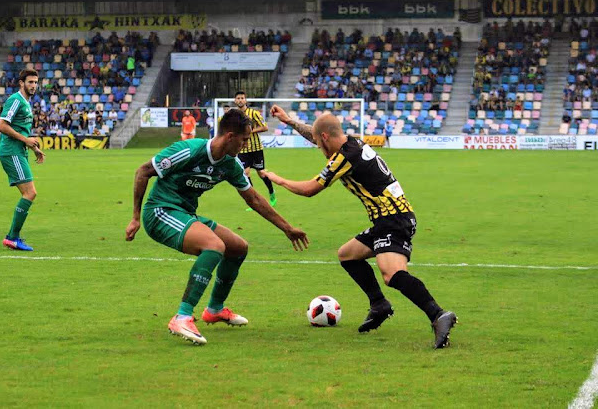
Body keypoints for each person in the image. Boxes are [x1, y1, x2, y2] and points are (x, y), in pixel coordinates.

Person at [263, 106, 457, 349]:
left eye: (318, 142)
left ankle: (438, 315)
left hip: (394, 219)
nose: (318, 148)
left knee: (392, 274)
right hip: (388, 218)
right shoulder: (352, 143)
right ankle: (379, 305)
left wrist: (277, 179)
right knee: (347, 255)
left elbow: (310, 189)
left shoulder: (346, 156)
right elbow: (317, 134)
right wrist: (289, 122)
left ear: (325, 138)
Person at [125, 108, 308, 345]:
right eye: (244, 140)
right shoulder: (189, 150)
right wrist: (135, 218)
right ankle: (182, 316)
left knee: (238, 247)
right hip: (160, 211)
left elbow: (253, 198)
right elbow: (143, 171)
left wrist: (287, 228)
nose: (246, 145)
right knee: (214, 245)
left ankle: (214, 309)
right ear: (230, 136)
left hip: (185, 214)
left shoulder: (230, 165)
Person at [0, 69, 46, 251]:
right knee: (30, 193)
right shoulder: (16, 100)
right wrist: (26, 140)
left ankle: (13, 236)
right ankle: (12, 237)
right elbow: (1, 125)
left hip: (19, 151)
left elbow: (21, 130)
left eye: (35, 82)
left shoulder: (25, 102)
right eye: (30, 82)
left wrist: (34, 148)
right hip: (12, 152)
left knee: (29, 193)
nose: (33, 85)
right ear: (21, 83)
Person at [234, 91, 277, 209]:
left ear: (245, 100)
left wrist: (250, 132)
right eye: (238, 98)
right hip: (243, 150)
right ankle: (253, 201)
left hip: (256, 148)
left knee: (261, 173)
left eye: (242, 98)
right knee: (246, 173)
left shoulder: (253, 113)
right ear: (235, 101)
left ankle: (272, 193)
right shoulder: (235, 115)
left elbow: (265, 127)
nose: (240, 100)